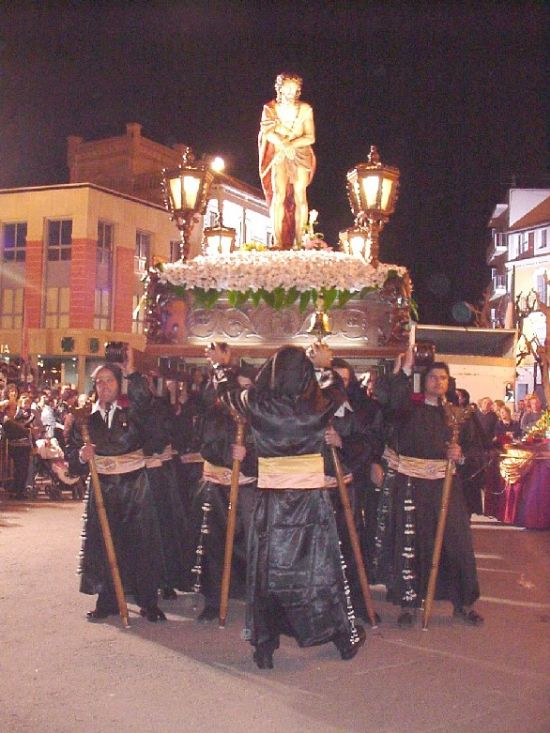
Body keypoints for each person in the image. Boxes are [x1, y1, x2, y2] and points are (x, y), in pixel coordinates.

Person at [207, 342, 366, 669]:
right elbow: (338, 389)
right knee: (321, 571)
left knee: (267, 572)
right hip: (310, 502)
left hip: (272, 501)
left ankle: (264, 646)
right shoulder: (318, 406)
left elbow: (225, 394)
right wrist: (327, 366)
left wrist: (225, 369)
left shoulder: (256, 405)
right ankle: (341, 638)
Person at [374, 349, 483, 627]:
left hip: (448, 485)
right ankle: (409, 604)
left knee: (456, 543)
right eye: (433, 377)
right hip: (412, 486)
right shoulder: (408, 409)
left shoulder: (459, 415)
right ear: (424, 381)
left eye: (443, 378)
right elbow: (389, 405)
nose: (438, 382)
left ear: (449, 382)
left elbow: (478, 449)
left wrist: (461, 453)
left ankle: (463, 604)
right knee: (413, 544)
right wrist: (405, 370)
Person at [66, 351, 166, 622]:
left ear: (119, 384)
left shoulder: (132, 411)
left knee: (141, 543)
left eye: (109, 380)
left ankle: (148, 601)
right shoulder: (86, 417)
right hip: (103, 487)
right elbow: (71, 449)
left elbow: (149, 412)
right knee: (103, 543)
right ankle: (107, 600)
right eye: (99, 382)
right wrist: (80, 456)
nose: (104, 386)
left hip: (134, 486)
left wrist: (133, 376)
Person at [190, 364, 258, 622]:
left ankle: (254, 598)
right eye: (237, 387)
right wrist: (227, 455)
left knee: (252, 544)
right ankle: (214, 599)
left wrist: (248, 456)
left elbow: (269, 450)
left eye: (247, 388)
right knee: (214, 545)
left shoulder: (259, 417)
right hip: (217, 487)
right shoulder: (215, 414)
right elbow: (205, 446)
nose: (242, 393)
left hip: (248, 488)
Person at [259, 72, 316, 248]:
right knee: (279, 195)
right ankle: (277, 241)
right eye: (287, 89)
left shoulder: (305, 109)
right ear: (280, 89)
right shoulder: (270, 109)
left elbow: (310, 137)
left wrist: (293, 144)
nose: (291, 92)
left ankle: (299, 242)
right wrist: (285, 145)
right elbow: (268, 133)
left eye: (294, 89)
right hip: (280, 155)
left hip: (300, 155)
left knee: (300, 195)